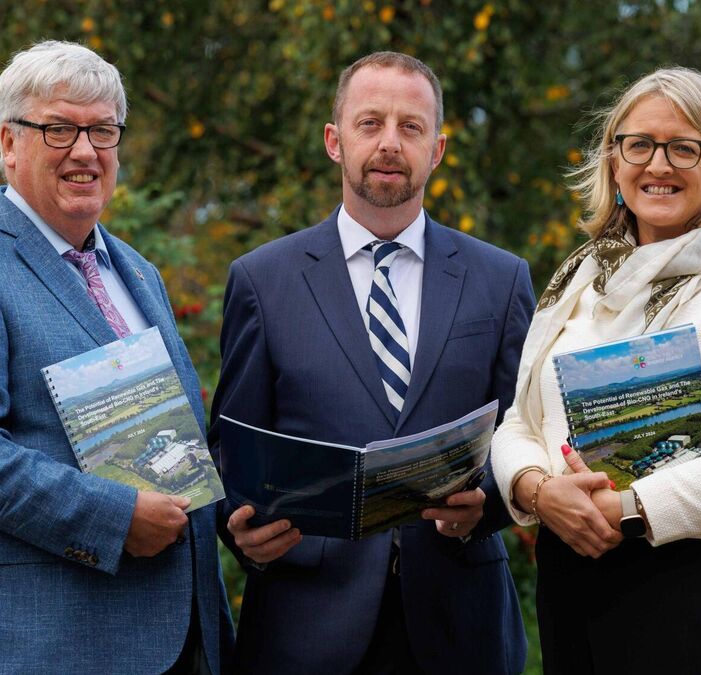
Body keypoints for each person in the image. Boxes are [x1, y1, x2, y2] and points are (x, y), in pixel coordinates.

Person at [0, 41, 231, 674]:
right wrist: (116, 518)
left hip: (180, 640)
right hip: (41, 644)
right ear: (8, 142)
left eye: (102, 130)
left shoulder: (137, 271)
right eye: (59, 129)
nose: (84, 151)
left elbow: (177, 444)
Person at [490, 66, 701, 674]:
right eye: (639, 145)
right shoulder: (578, 281)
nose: (658, 165)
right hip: (567, 581)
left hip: (684, 590)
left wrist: (624, 507)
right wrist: (537, 490)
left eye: (684, 148)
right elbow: (520, 421)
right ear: (614, 161)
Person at [210, 51, 534, 675]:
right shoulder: (262, 280)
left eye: (411, 127)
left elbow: (526, 430)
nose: (390, 143)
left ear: (436, 151)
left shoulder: (500, 279)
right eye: (370, 123)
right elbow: (231, 443)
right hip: (306, 625)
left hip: (460, 622)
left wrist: (489, 502)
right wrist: (238, 528)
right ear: (335, 141)